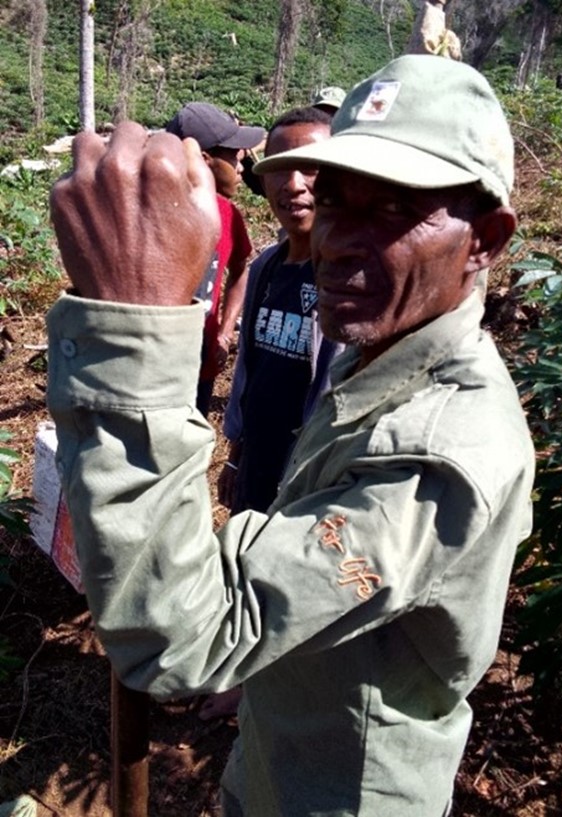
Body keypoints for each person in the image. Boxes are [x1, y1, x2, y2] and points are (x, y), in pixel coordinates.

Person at [47, 55, 534, 817]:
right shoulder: (382, 350)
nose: (338, 238)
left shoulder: (439, 451)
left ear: (484, 239)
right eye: (336, 200)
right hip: (279, 744)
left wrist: (135, 331)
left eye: (394, 210)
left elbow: (182, 634)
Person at [219, 105, 337, 515]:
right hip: (258, 466)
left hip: (312, 481)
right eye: (279, 168)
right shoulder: (265, 267)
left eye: (312, 168)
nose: (294, 185)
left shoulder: (351, 281)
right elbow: (249, 372)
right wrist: (236, 455)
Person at [166, 102, 266, 415]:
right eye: (234, 157)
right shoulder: (151, 217)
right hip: (154, 371)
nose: (240, 167)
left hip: (201, 362)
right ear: (204, 159)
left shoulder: (228, 215)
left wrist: (223, 333)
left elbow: (240, 270)